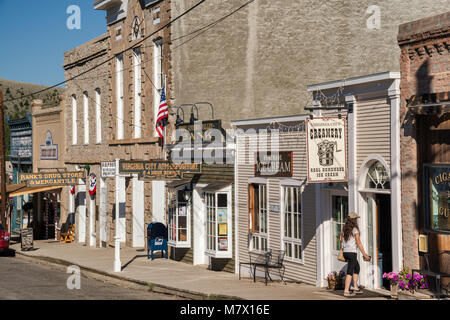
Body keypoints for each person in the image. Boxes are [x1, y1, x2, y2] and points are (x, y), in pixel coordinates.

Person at [340, 212, 371, 297]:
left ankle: (355, 288)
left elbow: (340, 239)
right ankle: (346, 291)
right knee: (350, 271)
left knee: (357, 267)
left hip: (346, 252)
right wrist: (365, 254)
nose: (357, 220)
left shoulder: (344, 228)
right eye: (356, 219)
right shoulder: (354, 229)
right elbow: (359, 243)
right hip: (352, 252)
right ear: (354, 220)